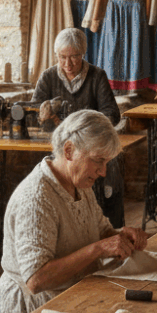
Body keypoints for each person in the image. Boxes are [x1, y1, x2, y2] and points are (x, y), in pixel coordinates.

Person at [0, 110, 148, 313]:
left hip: (66, 304)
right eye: (98, 160)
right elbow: (36, 279)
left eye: (106, 162)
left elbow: (100, 231)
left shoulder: (79, 185)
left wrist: (120, 236)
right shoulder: (37, 197)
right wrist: (98, 249)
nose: (103, 172)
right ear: (69, 151)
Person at [32, 28, 125, 227]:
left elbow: (112, 113)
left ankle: (112, 226)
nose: (68, 63)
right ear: (56, 55)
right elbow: (33, 111)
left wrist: (89, 128)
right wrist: (42, 114)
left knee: (108, 170)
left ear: (83, 54)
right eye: (62, 57)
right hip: (57, 146)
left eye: (74, 57)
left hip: (90, 145)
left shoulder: (97, 76)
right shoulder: (48, 77)